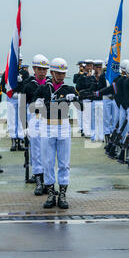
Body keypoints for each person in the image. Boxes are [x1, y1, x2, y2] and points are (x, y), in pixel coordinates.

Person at [33, 58, 79, 209]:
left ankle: (63, 194)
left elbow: (83, 107)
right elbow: (33, 108)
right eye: (58, 73)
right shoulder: (43, 89)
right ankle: (51, 194)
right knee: (48, 162)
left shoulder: (68, 89)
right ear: (52, 72)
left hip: (63, 126)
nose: (61, 76)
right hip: (47, 126)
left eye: (63, 73)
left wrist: (76, 99)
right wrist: (39, 104)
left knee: (64, 163)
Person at [23, 54, 50, 195]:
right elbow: (22, 107)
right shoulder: (28, 85)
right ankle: (39, 180)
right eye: (40, 69)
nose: (42, 72)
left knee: (48, 152)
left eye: (45, 69)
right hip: (34, 118)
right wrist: (23, 126)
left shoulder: (50, 84)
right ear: (34, 68)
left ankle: (48, 180)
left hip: (49, 119)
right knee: (36, 152)